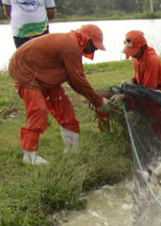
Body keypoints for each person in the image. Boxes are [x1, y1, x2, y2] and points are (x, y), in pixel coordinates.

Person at [8, 23, 109, 165]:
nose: (95, 50)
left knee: (65, 109)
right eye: (95, 46)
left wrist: (96, 100)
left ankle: (72, 151)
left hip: (43, 71)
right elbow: (78, 81)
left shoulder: (73, 44)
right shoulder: (71, 46)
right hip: (25, 70)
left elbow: (74, 79)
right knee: (38, 110)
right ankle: (29, 156)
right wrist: (99, 101)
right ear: (87, 40)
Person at [112, 30, 161, 154]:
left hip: (153, 98)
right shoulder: (136, 58)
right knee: (112, 102)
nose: (132, 55)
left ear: (141, 47)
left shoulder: (151, 59)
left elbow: (148, 91)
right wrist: (127, 87)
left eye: (133, 51)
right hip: (140, 93)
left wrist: (126, 95)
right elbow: (136, 77)